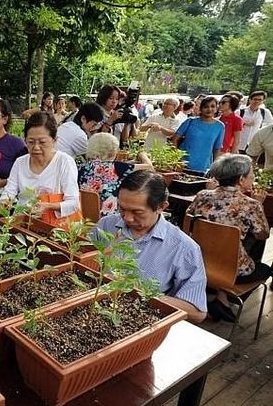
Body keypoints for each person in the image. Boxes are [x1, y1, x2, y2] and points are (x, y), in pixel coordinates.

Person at [91, 170, 208, 323]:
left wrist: (139, 293)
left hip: (142, 321)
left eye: (137, 212)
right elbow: (84, 262)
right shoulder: (106, 225)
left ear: (161, 207)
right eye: (122, 209)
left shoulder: (183, 247)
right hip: (95, 307)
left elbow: (197, 311)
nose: (127, 218)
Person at [186, 154, 270, 322]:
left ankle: (218, 298)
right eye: (251, 174)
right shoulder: (251, 204)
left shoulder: (203, 194)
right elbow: (263, 234)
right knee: (265, 268)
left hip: (198, 261)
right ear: (240, 179)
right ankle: (222, 299)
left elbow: (188, 220)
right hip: (231, 270)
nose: (253, 178)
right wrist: (259, 204)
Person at [0, 111, 80, 226]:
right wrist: (5, 201)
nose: (36, 147)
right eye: (31, 142)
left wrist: (48, 206)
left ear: (54, 141)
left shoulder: (64, 162)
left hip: (55, 228)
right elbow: (9, 191)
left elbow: (73, 203)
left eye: (42, 142)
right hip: (23, 223)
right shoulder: (20, 162)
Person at [78, 132, 153, 217]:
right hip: (108, 217)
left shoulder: (82, 167)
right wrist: (142, 155)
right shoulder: (116, 167)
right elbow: (149, 167)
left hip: (84, 215)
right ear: (112, 151)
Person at [171, 96, 224, 172]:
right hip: (183, 164)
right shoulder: (190, 121)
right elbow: (174, 139)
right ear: (201, 108)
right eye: (206, 107)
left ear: (216, 108)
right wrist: (176, 159)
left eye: (212, 106)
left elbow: (217, 148)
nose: (209, 109)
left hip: (204, 167)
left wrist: (215, 168)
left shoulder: (220, 126)